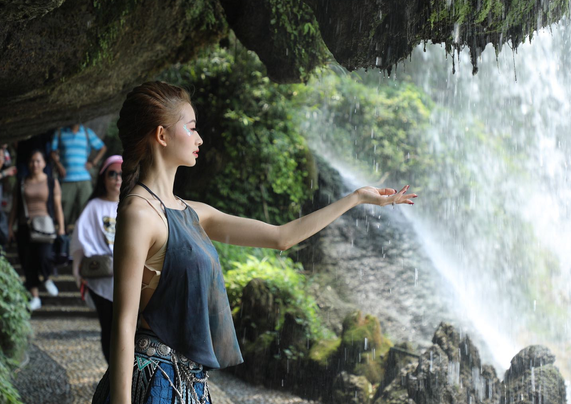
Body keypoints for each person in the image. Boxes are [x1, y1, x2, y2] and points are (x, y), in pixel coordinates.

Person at [92, 82, 417, 404]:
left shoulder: (194, 213)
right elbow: (123, 322)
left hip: (188, 384)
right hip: (152, 383)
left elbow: (281, 237)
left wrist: (357, 198)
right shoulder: (140, 214)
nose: (200, 139)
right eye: (191, 129)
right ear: (162, 136)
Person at [71, 155, 123, 363]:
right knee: (108, 326)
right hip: (101, 278)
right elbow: (79, 240)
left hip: (129, 277)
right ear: (104, 177)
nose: (117, 178)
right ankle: (112, 373)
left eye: (121, 174)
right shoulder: (93, 206)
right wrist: (77, 270)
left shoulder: (133, 205)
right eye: (112, 174)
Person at [8, 150, 65, 311]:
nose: (35, 164)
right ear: (28, 164)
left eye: (38, 161)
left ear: (44, 163)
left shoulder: (51, 182)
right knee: (28, 262)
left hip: (44, 226)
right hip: (25, 225)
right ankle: (35, 297)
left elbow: (57, 206)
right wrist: (10, 226)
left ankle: (46, 277)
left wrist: (61, 227)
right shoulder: (21, 182)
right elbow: (15, 207)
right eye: (32, 161)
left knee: (44, 256)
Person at [51, 123, 107, 231]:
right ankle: (64, 235)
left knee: (86, 207)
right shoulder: (60, 132)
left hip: (84, 178)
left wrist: (93, 162)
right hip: (67, 178)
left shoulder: (86, 132)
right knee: (63, 209)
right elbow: (52, 152)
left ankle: (85, 234)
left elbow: (102, 148)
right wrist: (59, 165)